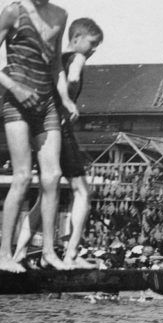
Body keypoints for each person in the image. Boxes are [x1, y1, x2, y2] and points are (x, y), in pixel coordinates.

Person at [0, 0, 78, 272]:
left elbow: (56, 65)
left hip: (47, 102)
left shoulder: (60, 15)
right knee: (22, 177)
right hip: (18, 102)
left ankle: (49, 252)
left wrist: (65, 97)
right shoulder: (14, 11)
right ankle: (4, 256)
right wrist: (16, 88)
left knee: (53, 177)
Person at [13, 17, 104, 267]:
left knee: (45, 196)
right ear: (76, 39)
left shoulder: (56, 62)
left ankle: (19, 251)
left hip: (46, 132)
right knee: (82, 192)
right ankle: (72, 253)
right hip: (62, 130)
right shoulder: (76, 58)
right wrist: (70, 100)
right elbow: (74, 78)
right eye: (92, 43)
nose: (94, 49)